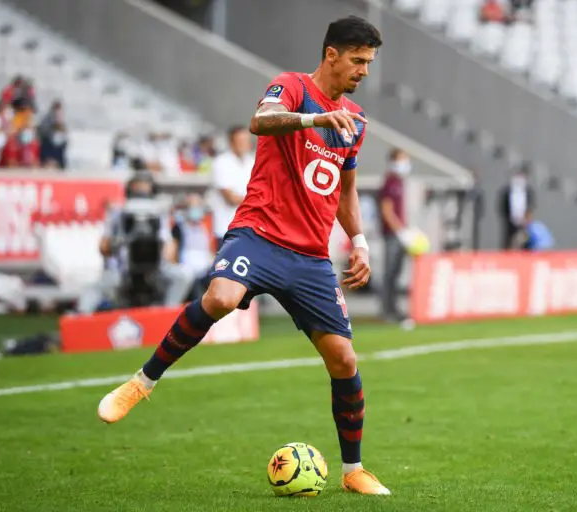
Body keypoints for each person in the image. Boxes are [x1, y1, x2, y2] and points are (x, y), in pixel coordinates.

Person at [97, 16, 390, 496]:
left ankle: (353, 469)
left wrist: (359, 242)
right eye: (358, 60)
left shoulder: (354, 121)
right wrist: (314, 119)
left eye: (369, 63)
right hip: (259, 233)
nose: (364, 71)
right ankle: (141, 383)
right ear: (331, 54)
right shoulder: (292, 87)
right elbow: (261, 122)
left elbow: (345, 190)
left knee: (343, 358)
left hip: (310, 255)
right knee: (221, 297)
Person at [76, 172, 192, 313]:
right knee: (92, 289)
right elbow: (103, 248)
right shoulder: (117, 213)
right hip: (123, 271)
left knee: (182, 276)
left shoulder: (159, 214)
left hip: (155, 271)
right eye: (138, 186)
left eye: (145, 186)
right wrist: (116, 243)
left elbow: (169, 249)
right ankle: (80, 318)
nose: (142, 190)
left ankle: (166, 314)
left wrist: (164, 249)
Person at [378, 148, 411, 322]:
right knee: (390, 273)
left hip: (399, 234)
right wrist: (399, 231)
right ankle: (387, 311)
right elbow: (387, 210)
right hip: (392, 234)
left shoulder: (399, 182)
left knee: (397, 273)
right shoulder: (390, 182)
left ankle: (394, 308)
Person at [212, 126, 254, 248]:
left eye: (246, 140)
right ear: (232, 142)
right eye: (241, 141)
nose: (245, 144)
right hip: (226, 230)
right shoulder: (221, 162)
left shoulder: (252, 161)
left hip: (248, 230)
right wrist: (257, 200)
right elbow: (230, 198)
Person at [498, 164, 535, 250]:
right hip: (510, 221)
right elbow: (503, 206)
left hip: (524, 222)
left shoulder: (528, 191)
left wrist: (526, 218)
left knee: (524, 241)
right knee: (508, 241)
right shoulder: (507, 191)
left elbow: (531, 206)